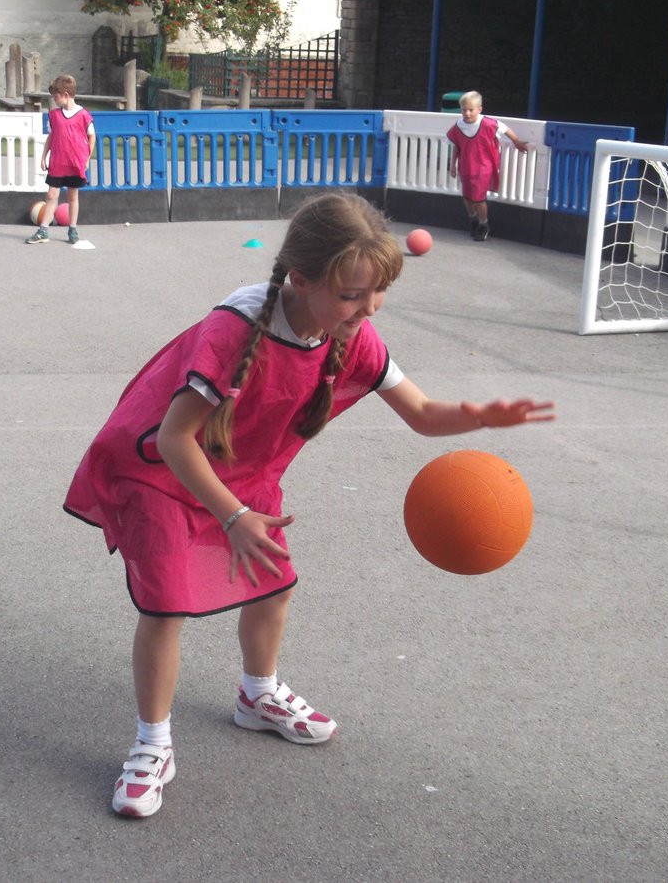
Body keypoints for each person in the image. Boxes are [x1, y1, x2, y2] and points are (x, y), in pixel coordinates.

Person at [63, 192, 556, 818]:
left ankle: (256, 697)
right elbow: (172, 437)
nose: (368, 309)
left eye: (378, 294)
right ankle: (151, 744)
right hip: (166, 472)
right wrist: (233, 517)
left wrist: (482, 414)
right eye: (352, 295)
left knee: (274, 587)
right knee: (167, 606)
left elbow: (426, 415)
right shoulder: (235, 330)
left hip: (245, 473)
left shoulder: (351, 333)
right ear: (301, 278)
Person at [447, 90, 528, 242]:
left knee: (478, 198)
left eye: (471, 110)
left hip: (484, 166)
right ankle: (473, 220)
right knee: (467, 197)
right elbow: (457, 146)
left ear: (479, 109)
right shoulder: (459, 125)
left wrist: (517, 142)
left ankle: (484, 225)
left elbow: (505, 129)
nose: (467, 113)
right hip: (466, 165)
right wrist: (453, 164)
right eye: (464, 110)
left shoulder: (488, 123)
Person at [25, 74, 95, 245]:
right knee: (51, 195)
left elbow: (92, 136)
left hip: (75, 162)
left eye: (55, 96)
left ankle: (72, 229)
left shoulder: (83, 115)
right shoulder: (54, 115)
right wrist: (44, 156)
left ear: (65, 94)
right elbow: (51, 136)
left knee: (72, 196)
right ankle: (43, 231)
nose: (54, 99)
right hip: (57, 162)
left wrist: (87, 158)